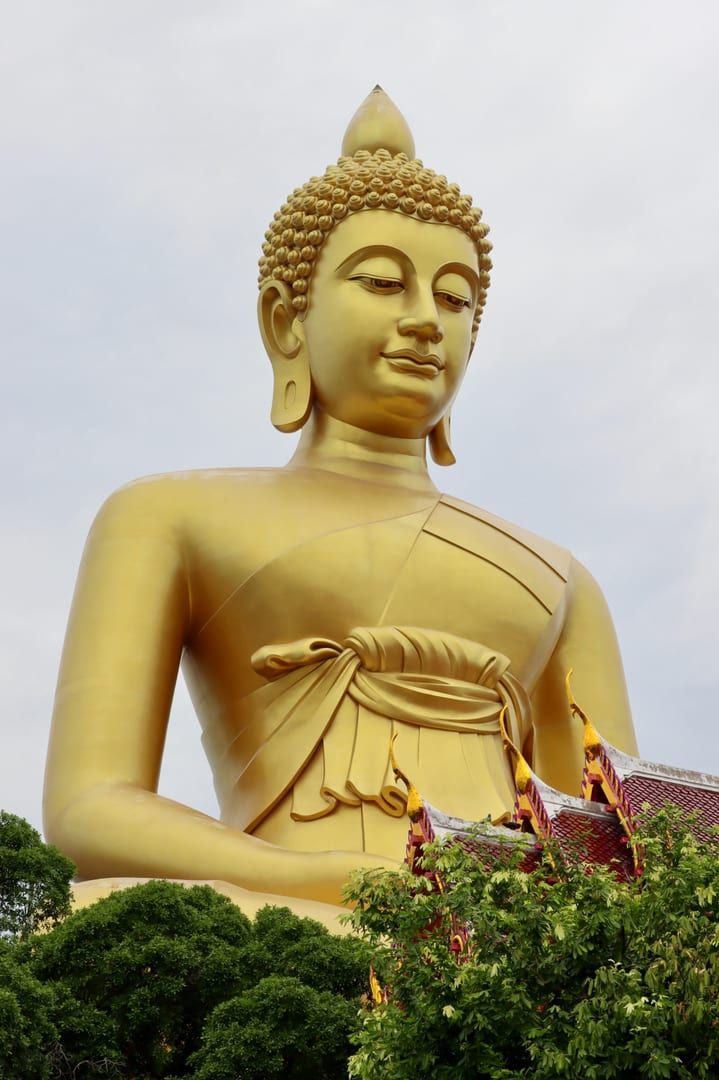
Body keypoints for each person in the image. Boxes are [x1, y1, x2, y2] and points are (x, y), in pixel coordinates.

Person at [43, 89, 638, 928]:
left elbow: (620, 851)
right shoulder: (165, 515)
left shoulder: (558, 578)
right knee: (84, 919)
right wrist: (334, 880)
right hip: (288, 913)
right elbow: (87, 813)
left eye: (457, 297)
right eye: (384, 283)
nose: (426, 320)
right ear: (286, 322)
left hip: (504, 942)